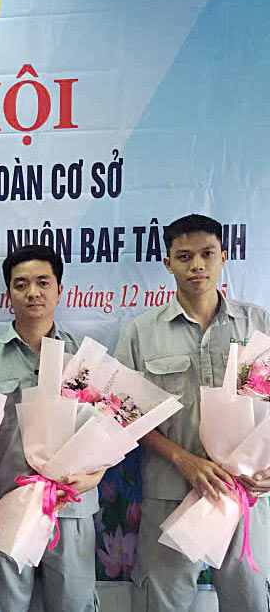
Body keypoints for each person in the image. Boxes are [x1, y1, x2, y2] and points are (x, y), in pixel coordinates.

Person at [113, 214, 270, 612]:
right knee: (164, 603)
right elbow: (124, 416)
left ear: (223, 257)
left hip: (245, 495)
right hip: (169, 490)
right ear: (168, 263)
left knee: (250, 600)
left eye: (206, 254)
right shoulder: (141, 332)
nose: (196, 265)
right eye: (184, 256)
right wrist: (182, 460)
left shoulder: (260, 325)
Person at [0, 245, 103, 612]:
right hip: (8, 504)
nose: (32, 293)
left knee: (73, 604)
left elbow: (111, 427)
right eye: (21, 284)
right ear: (8, 293)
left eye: (43, 282)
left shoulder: (85, 357)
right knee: (4, 605)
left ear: (60, 290)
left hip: (70, 507)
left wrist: (97, 474)